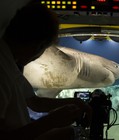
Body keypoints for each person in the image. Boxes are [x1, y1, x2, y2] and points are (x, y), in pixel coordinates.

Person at [0, 2, 92, 140]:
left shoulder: (10, 63)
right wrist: (50, 122)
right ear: (39, 45)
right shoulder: (3, 72)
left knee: (71, 132)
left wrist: (74, 102)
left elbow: (34, 102)